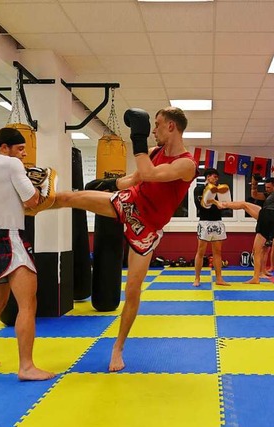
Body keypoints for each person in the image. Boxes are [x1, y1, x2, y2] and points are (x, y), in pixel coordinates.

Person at [41, 106, 197, 372]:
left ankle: (118, 348)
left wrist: (137, 138)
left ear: (171, 126)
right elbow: (136, 179)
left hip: (147, 228)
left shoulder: (186, 164)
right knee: (73, 197)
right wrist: (109, 185)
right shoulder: (154, 153)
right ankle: (33, 202)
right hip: (129, 203)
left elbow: (150, 175)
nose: (154, 130)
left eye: (157, 125)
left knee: (132, 290)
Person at [0, 127, 55, 381]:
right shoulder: (11, 165)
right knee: (28, 304)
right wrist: (43, 187)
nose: (24, 154)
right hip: (11, 237)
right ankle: (26, 367)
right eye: (20, 148)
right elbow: (31, 201)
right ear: (4, 148)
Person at [216, 176, 274, 284]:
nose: (266, 189)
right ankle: (223, 204)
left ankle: (256, 278)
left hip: (268, 217)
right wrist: (254, 183)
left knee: (257, 250)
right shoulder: (270, 196)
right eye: (266, 187)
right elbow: (254, 195)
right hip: (267, 216)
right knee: (244, 205)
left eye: (268, 187)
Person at [192, 168, 230, 287]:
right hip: (205, 222)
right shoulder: (199, 189)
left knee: (217, 252)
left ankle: (219, 278)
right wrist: (214, 202)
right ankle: (197, 278)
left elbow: (225, 205)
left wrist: (223, 206)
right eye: (214, 176)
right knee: (201, 251)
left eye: (217, 177)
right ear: (208, 177)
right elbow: (200, 205)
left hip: (217, 222)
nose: (216, 179)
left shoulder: (220, 190)